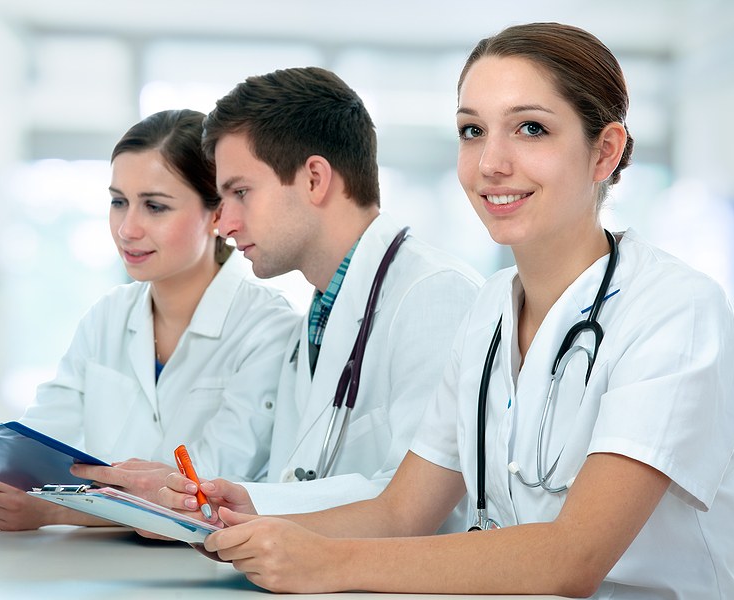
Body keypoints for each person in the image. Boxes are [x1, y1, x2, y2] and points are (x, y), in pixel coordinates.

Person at [174, 24, 734, 598]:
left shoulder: (675, 310)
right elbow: (400, 513)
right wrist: (244, 527)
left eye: (531, 128)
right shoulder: (489, 314)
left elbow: (570, 559)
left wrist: (324, 563)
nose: (491, 163)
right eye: (472, 130)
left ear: (605, 151)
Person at [0, 109, 299, 530]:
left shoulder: (267, 328)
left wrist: (58, 511)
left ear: (217, 215)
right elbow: (33, 452)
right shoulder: (106, 318)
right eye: (119, 202)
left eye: (155, 206)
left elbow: (210, 493)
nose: (127, 228)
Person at [118, 66, 483, 530]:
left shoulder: (435, 296)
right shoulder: (313, 322)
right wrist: (185, 492)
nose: (223, 224)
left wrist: (250, 502)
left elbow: (411, 503)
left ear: (314, 179)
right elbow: (293, 482)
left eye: (241, 193)